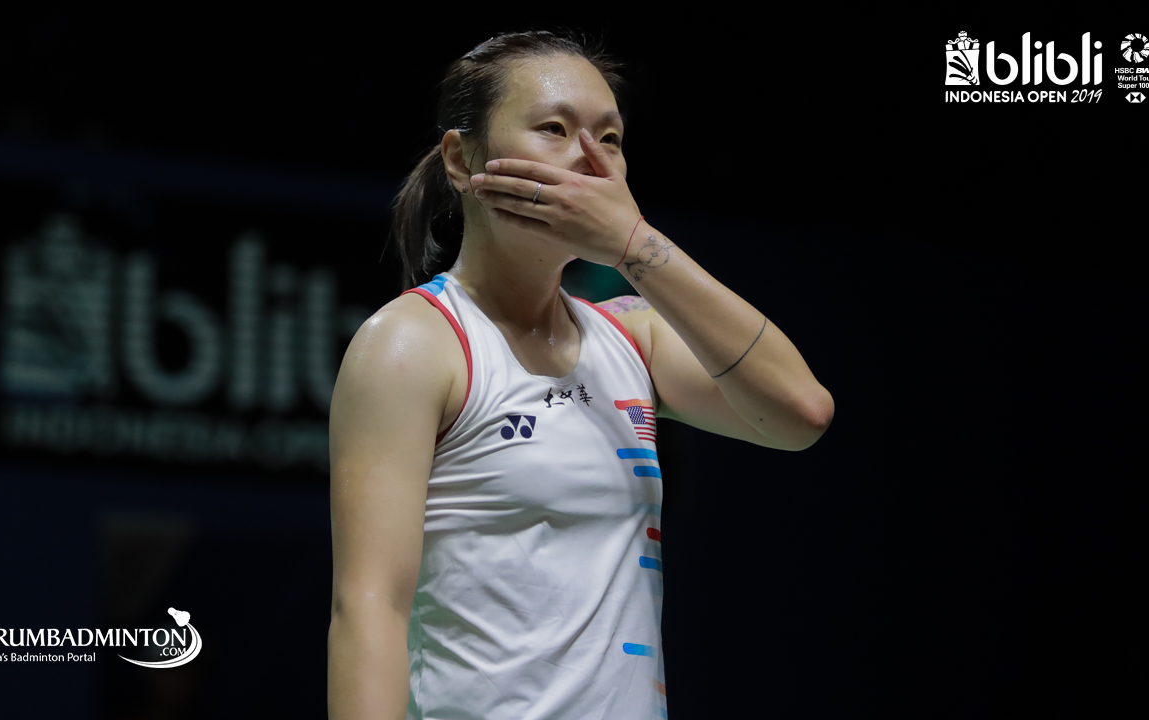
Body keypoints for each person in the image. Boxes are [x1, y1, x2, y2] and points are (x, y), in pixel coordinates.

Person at [328, 30, 834, 720]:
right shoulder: (413, 343)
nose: (591, 160)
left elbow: (801, 413)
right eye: (554, 129)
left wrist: (634, 243)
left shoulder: (632, 336)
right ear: (461, 159)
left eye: (611, 138)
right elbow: (369, 608)